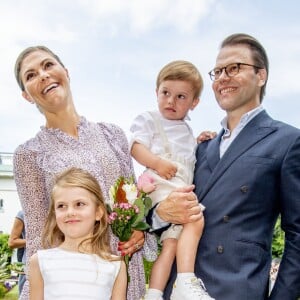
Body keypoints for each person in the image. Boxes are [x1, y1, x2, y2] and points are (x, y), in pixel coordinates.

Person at [150, 33, 300, 300]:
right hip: (178, 290)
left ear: (261, 76)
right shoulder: (199, 149)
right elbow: (164, 211)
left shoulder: (288, 141)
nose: (222, 78)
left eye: (234, 68)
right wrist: (161, 212)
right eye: (217, 71)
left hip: (237, 289)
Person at [13, 45, 157, 300]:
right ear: (27, 95)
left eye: (48, 65)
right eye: (31, 75)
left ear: (65, 72)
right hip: (73, 281)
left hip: (122, 267)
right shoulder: (29, 154)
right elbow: (37, 235)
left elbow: (133, 198)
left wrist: (139, 230)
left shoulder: (112, 134)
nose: (43, 75)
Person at [130, 60, 214, 300]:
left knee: (170, 246)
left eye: (180, 97)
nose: (170, 101)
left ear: (194, 103)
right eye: (165, 93)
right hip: (161, 184)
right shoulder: (150, 119)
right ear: (156, 92)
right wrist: (157, 163)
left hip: (176, 186)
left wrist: (198, 141)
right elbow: (135, 147)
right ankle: (185, 281)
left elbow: (187, 156)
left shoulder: (186, 129)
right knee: (195, 217)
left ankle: (154, 294)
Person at [29, 167, 127, 300]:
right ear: (54, 213)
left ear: (98, 212)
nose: (70, 212)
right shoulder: (40, 261)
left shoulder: (115, 265)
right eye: (61, 206)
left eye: (79, 204)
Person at [8, 210, 26, 296]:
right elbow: (12, 242)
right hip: (28, 267)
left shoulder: (56, 211)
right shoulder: (22, 213)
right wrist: (35, 241)